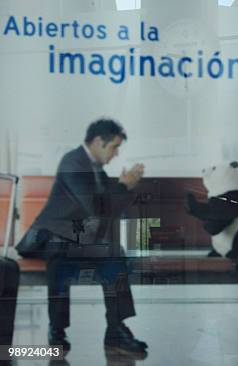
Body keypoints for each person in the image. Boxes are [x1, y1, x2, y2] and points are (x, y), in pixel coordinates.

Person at [16, 119, 148, 356]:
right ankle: (57, 329)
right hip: (46, 236)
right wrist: (122, 186)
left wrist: (123, 186)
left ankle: (116, 329)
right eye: (114, 147)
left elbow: (109, 208)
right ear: (99, 141)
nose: (116, 154)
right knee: (61, 254)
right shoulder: (73, 162)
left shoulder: (97, 169)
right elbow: (95, 207)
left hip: (76, 238)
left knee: (114, 256)